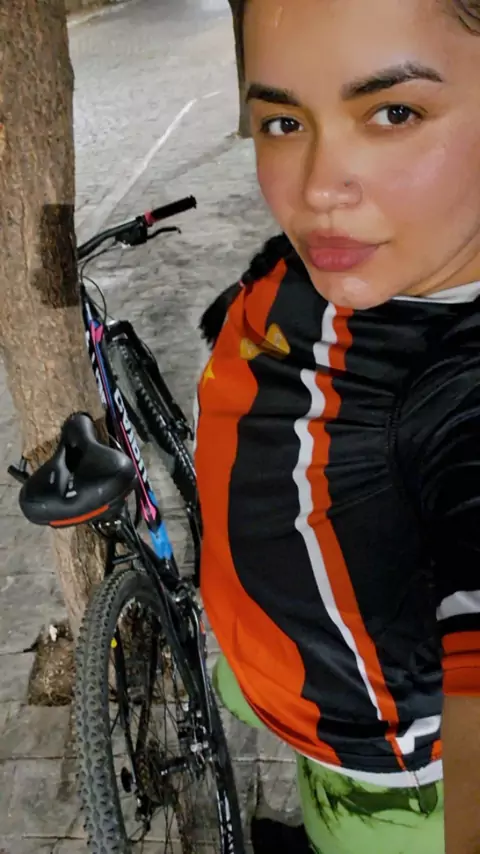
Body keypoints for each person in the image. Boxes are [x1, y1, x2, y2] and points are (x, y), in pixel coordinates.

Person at [194, 1, 480, 851]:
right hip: (290, 696)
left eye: (394, 113)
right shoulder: (363, 253)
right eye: (282, 122)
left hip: (393, 806)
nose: (317, 188)